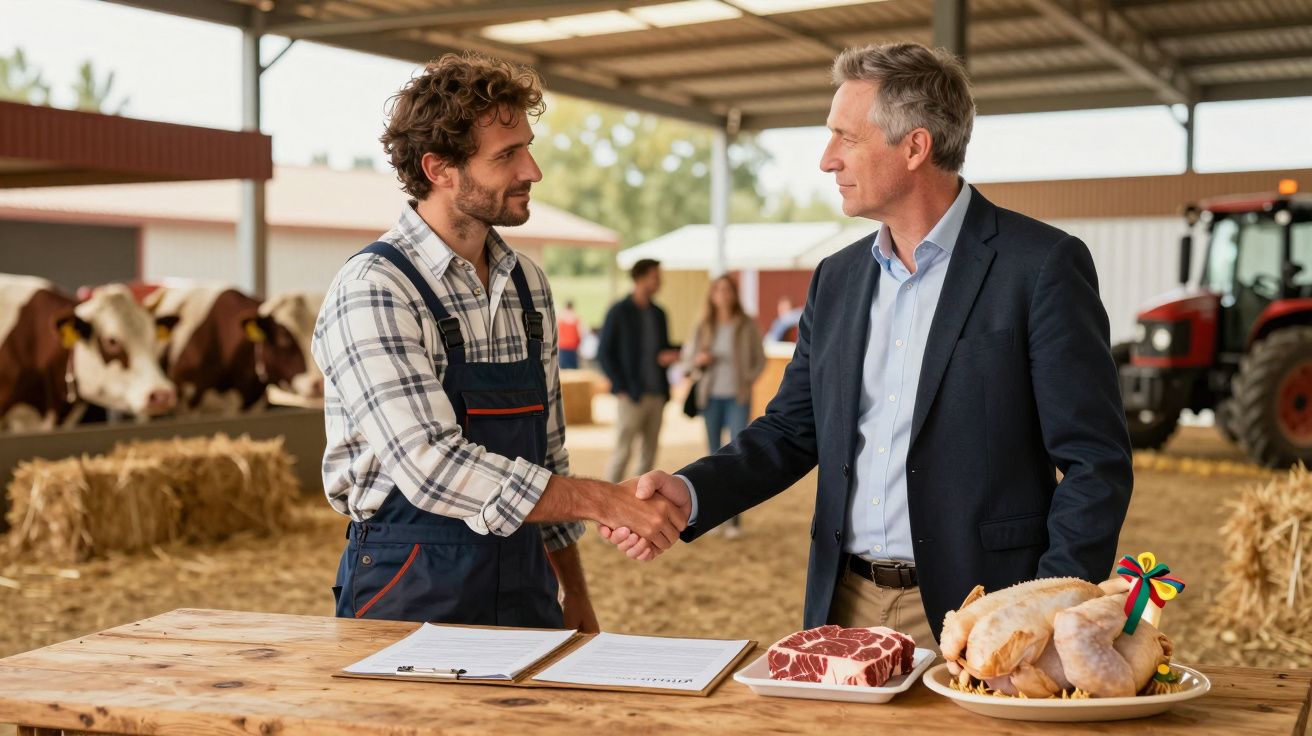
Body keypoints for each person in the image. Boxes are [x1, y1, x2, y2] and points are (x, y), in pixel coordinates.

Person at [601, 42, 1133, 650]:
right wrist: (692, 491)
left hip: (987, 609)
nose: (827, 160)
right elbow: (791, 429)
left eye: (845, 137)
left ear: (915, 146)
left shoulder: (1039, 266)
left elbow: (1096, 461)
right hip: (843, 602)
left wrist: (1049, 605)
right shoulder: (838, 277)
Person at [312, 53, 686, 633]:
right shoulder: (374, 290)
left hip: (525, 580)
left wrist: (575, 594)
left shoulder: (527, 283)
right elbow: (432, 466)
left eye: (527, 147)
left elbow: (548, 454)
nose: (532, 170)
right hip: (410, 581)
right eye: (507, 155)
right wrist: (608, 500)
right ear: (440, 169)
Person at [681, 275, 765, 538]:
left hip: (737, 396)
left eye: (727, 289)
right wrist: (699, 359)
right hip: (711, 397)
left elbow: (759, 360)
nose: (722, 294)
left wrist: (747, 379)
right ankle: (713, 518)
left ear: (734, 294)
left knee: (738, 454)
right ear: (712, 295)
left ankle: (735, 521)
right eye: (717, 289)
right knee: (713, 456)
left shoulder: (746, 324)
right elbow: (687, 360)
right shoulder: (704, 325)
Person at [598, 259, 680, 483]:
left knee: (648, 457)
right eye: (655, 277)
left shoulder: (659, 313)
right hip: (630, 395)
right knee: (622, 453)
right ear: (640, 278)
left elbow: (662, 349)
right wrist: (620, 386)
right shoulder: (618, 312)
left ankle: (636, 507)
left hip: (657, 395)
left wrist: (673, 354)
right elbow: (604, 353)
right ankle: (608, 505)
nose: (659, 282)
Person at [557, 299, 586, 370]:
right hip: (573, 347)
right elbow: (581, 333)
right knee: (573, 370)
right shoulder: (576, 318)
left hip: (563, 347)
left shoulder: (560, 318)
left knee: (563, 369)